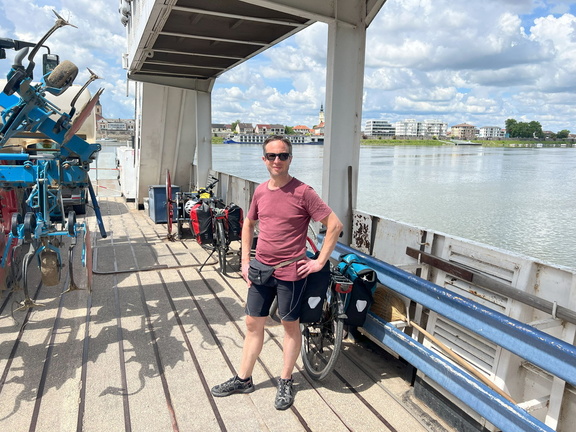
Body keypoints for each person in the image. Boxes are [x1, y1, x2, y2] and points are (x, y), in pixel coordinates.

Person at [211, 135, 343, 410]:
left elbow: (334, 225)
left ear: (290, 159)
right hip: (260, 268)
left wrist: (319, 262)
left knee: (289, 325)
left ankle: (285, 380)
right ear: (264, 159)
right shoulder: (260, 191)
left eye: (283, 155)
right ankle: (243, 379)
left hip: (290, 271)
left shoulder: (304, 192)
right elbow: (248, 224)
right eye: (272, 156)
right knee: (252, 323)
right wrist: (245, 262)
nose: (277, 160)